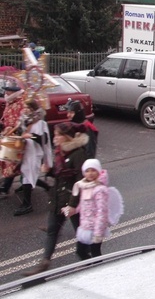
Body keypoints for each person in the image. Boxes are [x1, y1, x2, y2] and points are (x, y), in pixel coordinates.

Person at [23, 122, 89, 276]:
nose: (55, 138)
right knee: (52, 230)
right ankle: (44, 262)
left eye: (58, 135)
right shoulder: (61, 151)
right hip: (58, 198)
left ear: (66, 136)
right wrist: (50, 171)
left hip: (72, 202)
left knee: (81, 231)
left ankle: (88, 257)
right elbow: (61, 175)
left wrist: (73, 205)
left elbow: (81, 182)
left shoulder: (78, 154)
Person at [64, 159, 109, 260]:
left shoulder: (100, 190)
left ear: (98, 171)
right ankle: (90, 267)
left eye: (93, 170)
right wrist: (72, 211)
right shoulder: (84, 186)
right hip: (85, 226)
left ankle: (99, 270)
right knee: (80, 251)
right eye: (87, 171)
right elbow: (82, 205)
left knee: (95, 253)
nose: (90, 173)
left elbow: (101, 212)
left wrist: (98, 233)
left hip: (95, 228)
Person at [14, 100, 53, 216]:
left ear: (33, 109)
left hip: (35, 153)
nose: (25, 109)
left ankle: (27, 204)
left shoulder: (40, 123)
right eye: (24, 107)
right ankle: (47, 187)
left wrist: (31, 135)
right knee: (27, 174)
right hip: (26, 151)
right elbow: (20, 132)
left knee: (28, 175)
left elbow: (44, 140)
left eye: (27, 107)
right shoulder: (25, 120)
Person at [0, 84, 26, 197]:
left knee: (11, 163)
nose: (6, 94)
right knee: (7, 162)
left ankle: (5, 189)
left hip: (15, 137)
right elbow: (6, 117)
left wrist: (13, 128)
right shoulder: (9, 102)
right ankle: (24, 184)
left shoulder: (22, 103)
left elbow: (23, 121)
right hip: (6, 135)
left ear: (14, 92)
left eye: (8, 92)